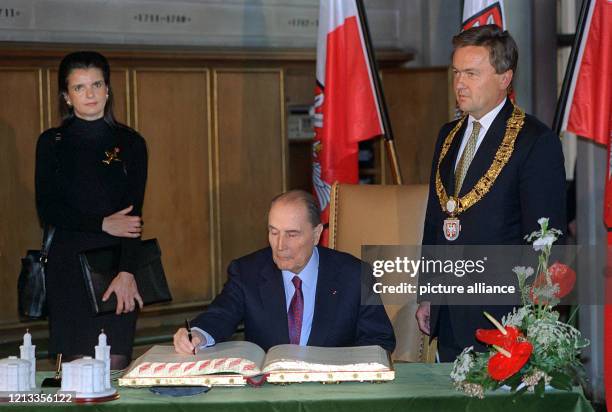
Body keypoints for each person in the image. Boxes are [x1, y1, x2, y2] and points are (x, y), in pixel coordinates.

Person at [415, 25, 566, 361]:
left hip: (503, 319)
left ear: (504, 78)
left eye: (471, 73)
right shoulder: (448, 135)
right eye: (456, 72)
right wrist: (427, 292)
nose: (459, 84)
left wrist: (533, 321)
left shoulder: (534, 141)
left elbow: (546, 243)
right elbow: (435, 219)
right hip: (447, 311)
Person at [174, 190, 396, 354]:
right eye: (273, 232)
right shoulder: (246, 272)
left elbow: (379, 339)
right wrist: (197, 335)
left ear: (316, 233)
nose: (280, 246)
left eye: (291, 234)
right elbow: (220, 315)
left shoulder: (355, 274)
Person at [35, 51, 148, 369]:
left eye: (97, 84)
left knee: (114, 364)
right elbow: (48, 210)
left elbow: (134, 217)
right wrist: (102, 223)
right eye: (79, 87)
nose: (90, 94)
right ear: (66, 97)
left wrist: (127, 272)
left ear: (108, 90)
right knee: (75, 372)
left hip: (114, 268)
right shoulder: (51, 143)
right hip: (67, 267)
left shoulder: (131, 143)